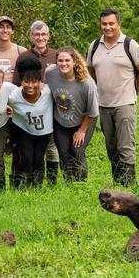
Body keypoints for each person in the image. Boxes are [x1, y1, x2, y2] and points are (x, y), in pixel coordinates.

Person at [86, 8, 139, 186]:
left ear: (118, 24)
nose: (107, 27)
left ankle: (130, 186)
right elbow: (90, 70)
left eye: (111, 23)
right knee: (111, 147)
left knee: (125, 147)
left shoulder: (130, 44)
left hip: (125, 103)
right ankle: (118, 184)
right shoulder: (95, 46)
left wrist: (134, 91)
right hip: (103, 104)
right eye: (104, 24)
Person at [13, 20, 59, 184]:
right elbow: (16, 84)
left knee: (51, 148)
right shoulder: (24, 56)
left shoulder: (56, 55)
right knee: (27, 152)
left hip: (52, 110)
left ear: (48, 36)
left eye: (43, 34)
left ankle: (52, 181)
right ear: (31, 36)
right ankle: (25, 181)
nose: (40, 37)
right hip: (29, 112)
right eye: (37, 34)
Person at [45, 47, 99, 181]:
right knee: (63, 152)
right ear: (56, 62)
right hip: (60, 120)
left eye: (67, 60)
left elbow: (92, 112)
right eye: (60, 60)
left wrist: (82, 131)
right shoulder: (50, 73)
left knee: (76, 151)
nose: (63, 64)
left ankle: (81, 183)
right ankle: (69, 182)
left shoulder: (86, 83)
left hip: (84, 120)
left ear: (74, 61)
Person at [8, 57, 53, 187]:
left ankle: (37, 186)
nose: (30, 86)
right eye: (26, 82)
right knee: (27, 158)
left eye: (34, 82)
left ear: (40, 82)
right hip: (24, 130)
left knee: (38, 158)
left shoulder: (48, 92)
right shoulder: (13, 96)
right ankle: (27, 184)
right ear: (21, 81)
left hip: (44, 132)